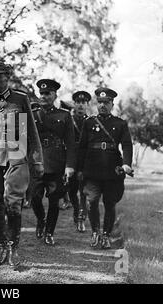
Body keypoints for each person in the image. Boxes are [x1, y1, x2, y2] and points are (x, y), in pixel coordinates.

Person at [0, 60, 44, 266]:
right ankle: (1, 247)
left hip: (16, 157)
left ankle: (14, 248)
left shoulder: (20, 99)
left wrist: (37, 159)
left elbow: (32, 131)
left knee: (13, 204)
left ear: (7, 77)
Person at [77, 87, 133, 249]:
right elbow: (82, 147)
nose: (102, 105)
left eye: (106, 103)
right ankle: (95, 231)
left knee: (110, 203)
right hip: (92, 169)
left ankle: (106, 235)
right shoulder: (89, 122)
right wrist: (79, 169)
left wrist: (127, 164)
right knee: (91, 201)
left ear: (112, 104)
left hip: (112, 170)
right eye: (100, 102)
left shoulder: (120, 123)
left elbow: (127, 145)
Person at [27, 79, 75, 245]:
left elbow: (70, 143)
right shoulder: (32, 114)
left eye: (47, 93)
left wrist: (69, 166)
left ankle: (49, 232)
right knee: (34, 197)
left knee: (54, 200)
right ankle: (41, 219)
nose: (44, 96)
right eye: (42, 93)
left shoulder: (64, 115)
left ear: (55, 95)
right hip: (37, 162)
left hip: (56, 163)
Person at [69, 91, 91, 233]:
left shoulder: (91, 121)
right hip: (71, 159)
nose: (81, 105)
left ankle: (81, 218)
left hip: (86, 160)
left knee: (84, 191)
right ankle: (76, 210)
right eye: (78, 102)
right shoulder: (68, 120)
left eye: (83, 103)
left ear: (87, 105)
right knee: (71, 191)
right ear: (74, 104)